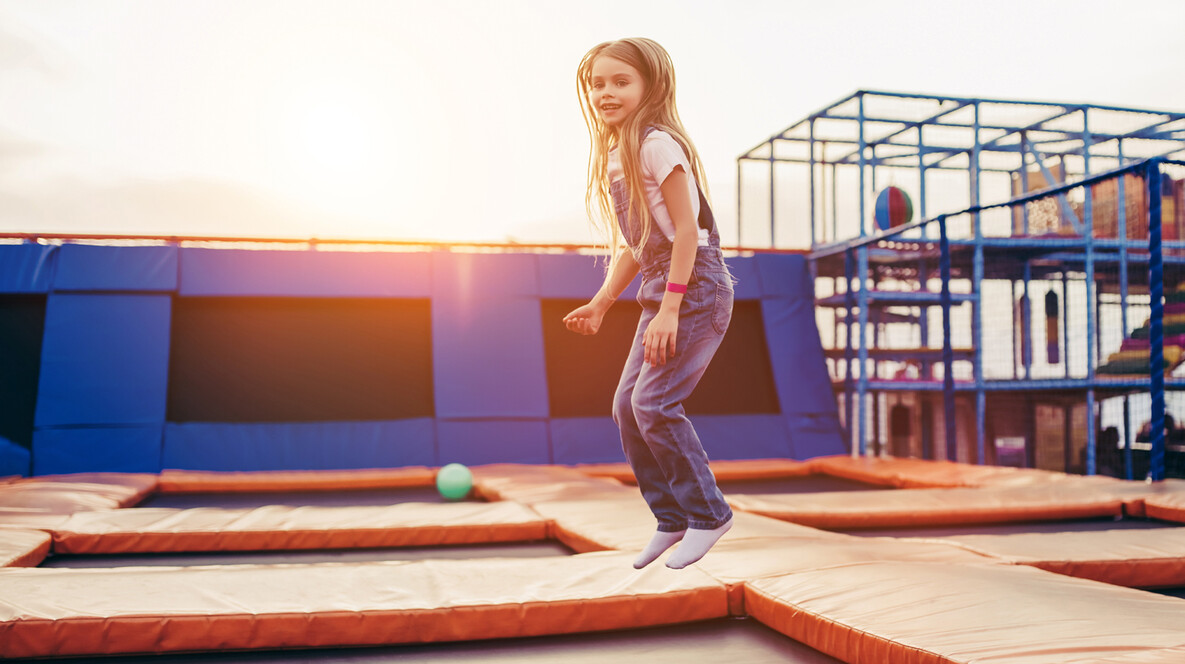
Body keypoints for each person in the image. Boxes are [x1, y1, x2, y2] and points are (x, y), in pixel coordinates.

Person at [564, 38, 734, 570]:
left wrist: (671, 309)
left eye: (621, 82)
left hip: (695, 288)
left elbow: (688, 233)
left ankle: (709, 514)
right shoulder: (618, 154)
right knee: (625, 407)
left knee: (653, 405)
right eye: (598, 83)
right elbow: (637, 247)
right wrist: (600, 303)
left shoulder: (658, 144)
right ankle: (671, 517)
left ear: (649, 87)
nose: (606, 93)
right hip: (661, 289)